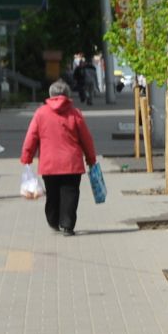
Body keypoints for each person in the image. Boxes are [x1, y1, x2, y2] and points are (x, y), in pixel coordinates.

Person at [20, 79, 98, 236]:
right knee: (70, 193)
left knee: (52, 193)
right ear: (68, 95)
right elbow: (86, 138)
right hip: (72, 163)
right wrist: (91, 158)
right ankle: (67, 225)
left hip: (49, 164)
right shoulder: (75, 113)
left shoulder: (41, 113)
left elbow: (31, 137)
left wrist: (27, 157)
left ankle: (53, 220)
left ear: (50, 95)